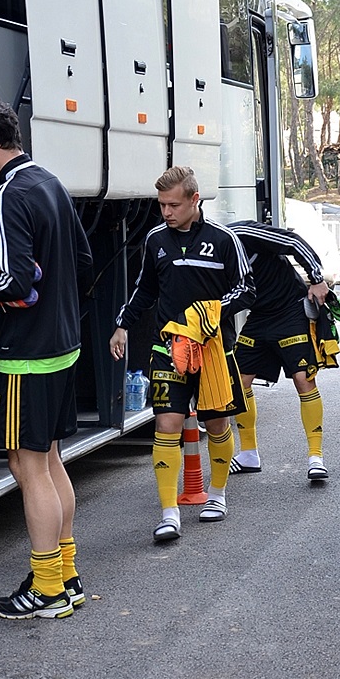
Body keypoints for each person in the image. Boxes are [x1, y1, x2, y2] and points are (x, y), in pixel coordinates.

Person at [0, 91, 93, 620]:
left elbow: (12, 277)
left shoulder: (5, 193)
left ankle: (45, 589)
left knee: (25, 466)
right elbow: (84, 262)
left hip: (27, 351)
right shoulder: (50, 181)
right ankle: (66, 577)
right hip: (64, 344)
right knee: (50, 460)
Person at [109, 166, 254, 543]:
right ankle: (169, 512)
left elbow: (246, 290)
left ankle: (218, 496)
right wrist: (123, 324)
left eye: (174, 205)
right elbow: (145, 289)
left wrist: (209, 311)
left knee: (219, 425)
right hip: (167, 348)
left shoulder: (224, 239)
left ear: (195, 200)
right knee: (167, 424)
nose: (166, 212)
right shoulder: (156, 239)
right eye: (161, 205)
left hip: (214, 350)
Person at [228, 221, 335, 480]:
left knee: (303, 379)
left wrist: (317, 279)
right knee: (239, 381)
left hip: (290, 310)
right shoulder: (208, 255)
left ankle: (315, 457)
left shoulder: (241, 235)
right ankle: (249, 454)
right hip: (259, 316)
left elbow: (294, 242)